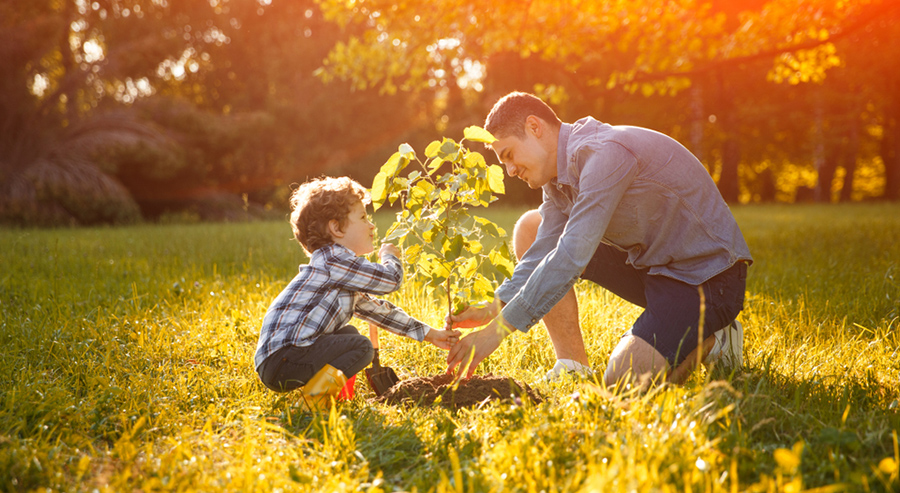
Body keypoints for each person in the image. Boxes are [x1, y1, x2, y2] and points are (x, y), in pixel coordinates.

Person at [446, 92, 752, 387]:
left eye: (509, 155)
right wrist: (495, 306)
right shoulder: (557, 179)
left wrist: (495, 333)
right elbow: (543, 250)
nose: (510, 170)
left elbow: (571, 255)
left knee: (623, 383)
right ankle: (573, 366)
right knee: (532, 227)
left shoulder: (604, 153)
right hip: (653, 269)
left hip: (707, 279)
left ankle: (715, 341)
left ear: (534, 127)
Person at [255, 176, 459, 395]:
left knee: (349, 334)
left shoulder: (338, 272)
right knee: (361, 347)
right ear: (336, 228)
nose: (371, 225)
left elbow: (381, 312)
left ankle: (335, 396)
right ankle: (315, 399)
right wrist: (389, 256)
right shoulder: (334, 260)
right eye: (363, 217)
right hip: (285, 357)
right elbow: (391, 280)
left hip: (280, 360)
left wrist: (432, 334)